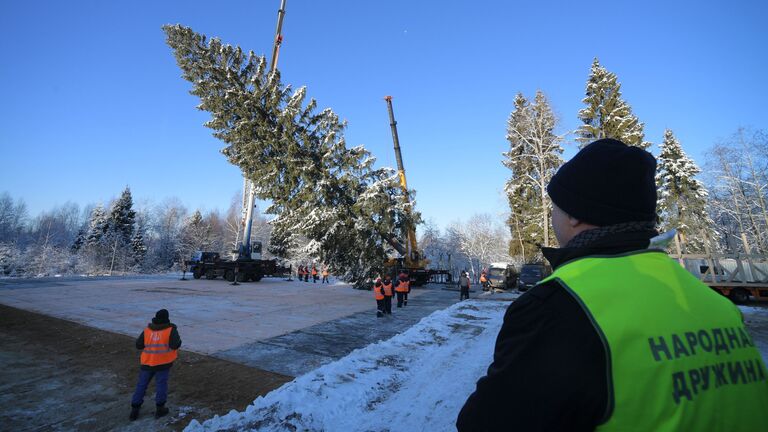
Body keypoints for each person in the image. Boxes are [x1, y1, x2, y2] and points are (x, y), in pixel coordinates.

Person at [457, 138, 768, 431]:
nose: (552, 215)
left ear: (575, 215)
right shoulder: (712, 302)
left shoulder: (557, 307)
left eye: (555, 205)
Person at [130, 309, 182, 421]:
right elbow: (175, 345)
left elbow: (139, 345)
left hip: (147, 362)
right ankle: (160, 408)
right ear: (167, 318)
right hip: (163, 363)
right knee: (161, 385)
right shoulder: (170, 330)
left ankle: (134, 409)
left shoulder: (147, 330)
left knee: (141, 385)